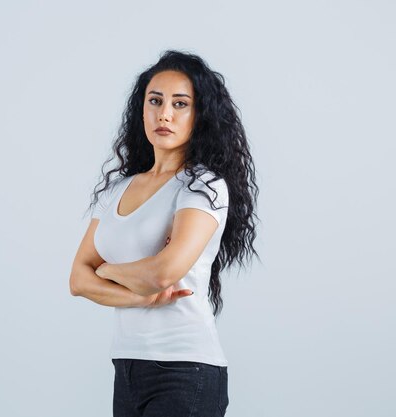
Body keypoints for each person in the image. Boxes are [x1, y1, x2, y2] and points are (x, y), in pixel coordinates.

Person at [69, 50, 259, 417]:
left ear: (199, 115)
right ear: (141, 109)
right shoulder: (115, 190)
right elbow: (77, 280)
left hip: (186, 368)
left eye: (180, 104)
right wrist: (140, 297)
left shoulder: (203, 186)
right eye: (155, 101)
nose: (165, 113)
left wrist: (105, 270)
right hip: (126, 366)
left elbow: (163, 273)